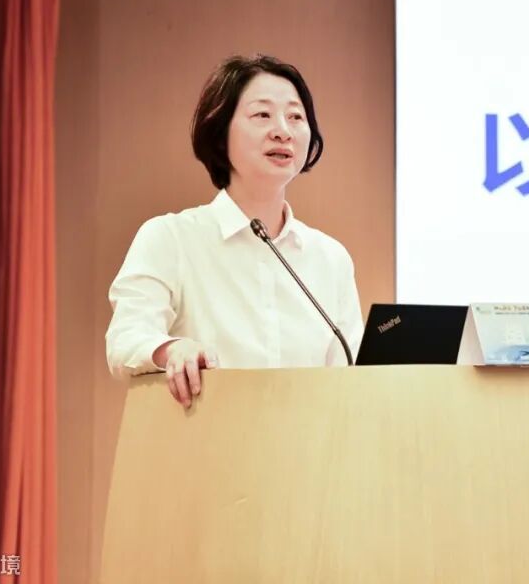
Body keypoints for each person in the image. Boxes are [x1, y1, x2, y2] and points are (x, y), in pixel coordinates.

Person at [105, 55, 363, 408]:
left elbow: (351, 375)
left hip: (309, 441)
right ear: (220, 132)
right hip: (208, 438)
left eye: (295, 117)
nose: (283, 131)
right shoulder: (170, 238)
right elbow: (125, 338)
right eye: (262, 115)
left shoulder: (330, 258)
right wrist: (172, 349)